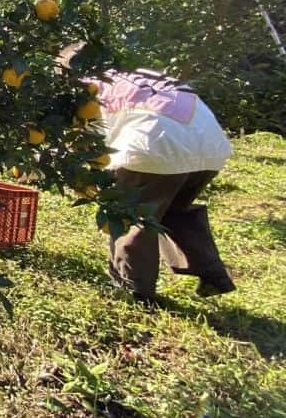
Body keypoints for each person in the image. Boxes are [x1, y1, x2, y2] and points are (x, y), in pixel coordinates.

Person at [85, 63, 237, 303]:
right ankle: (213, 274)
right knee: (173, 212)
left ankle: (135, 291)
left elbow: (82, 140)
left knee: (129, 216)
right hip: (209, 146)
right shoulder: (137, 74)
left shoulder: (85, 86)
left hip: (155, 147)